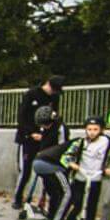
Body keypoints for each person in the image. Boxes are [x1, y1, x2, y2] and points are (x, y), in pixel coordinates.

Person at [54, 116, 110, 220]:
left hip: (95, 178)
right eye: (89, 129)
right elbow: (65, 157)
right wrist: (72, 164)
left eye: (95, 129)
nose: (92, 132)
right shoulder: (80, 142)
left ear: (101, 130)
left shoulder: (108, 143)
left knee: (92, 206)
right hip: (80, 177)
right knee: (78, 204)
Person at [10, 73, 66, 212]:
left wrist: (48, 134)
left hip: (45, 138)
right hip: (28, 138)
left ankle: (43, 200)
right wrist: (30, 133)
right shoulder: (31, 94)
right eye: (53, 89)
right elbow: (22, 116)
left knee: (46, 169)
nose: (53, 92)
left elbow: (54, 117)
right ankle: (18, 198)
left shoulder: (54, 97)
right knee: (26, 170)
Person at [26, 109, 72, 220]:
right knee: (51, 190)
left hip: (56, 163)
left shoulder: (61, 129)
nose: (44, 127)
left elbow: (63, 146)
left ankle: (56, 218)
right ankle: (51, 216)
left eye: (45, 124)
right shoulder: (46, 128)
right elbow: (44, 143)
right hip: (45, 161)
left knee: (60, 192)